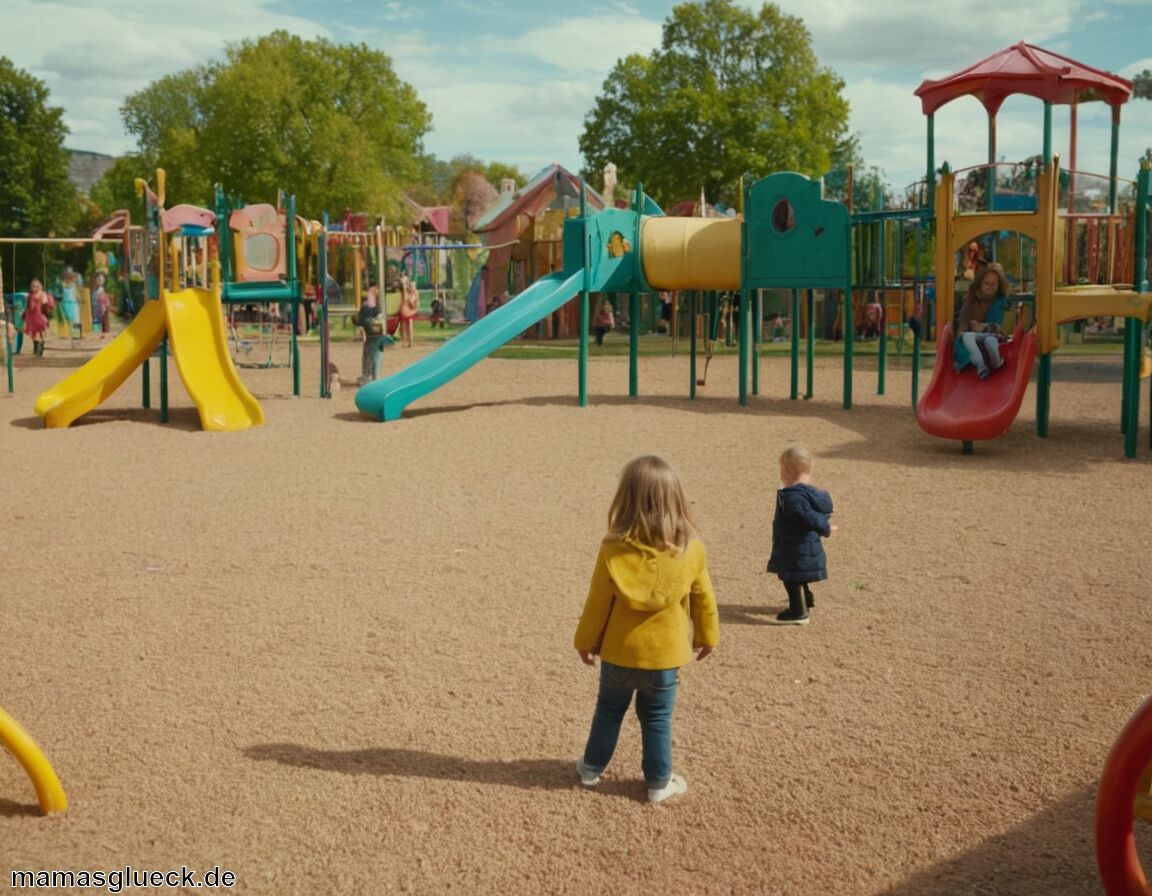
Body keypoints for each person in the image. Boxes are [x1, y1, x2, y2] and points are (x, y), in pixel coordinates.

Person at [573, 455, 719, 803]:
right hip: (665, 658)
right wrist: (707, 636)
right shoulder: (691, 550)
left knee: (608, 711)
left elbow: (598, 602)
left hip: (619, 652)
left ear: (626, 499)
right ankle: (658, 783)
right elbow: (704, 599)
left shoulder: (612, 548)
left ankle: (590, 769)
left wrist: (585, 641)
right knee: (657, 718)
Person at [766, 445, 837, 625]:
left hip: (794, 547)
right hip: (803, 546)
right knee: (798, 576)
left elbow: (807, 516)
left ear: (786, 470)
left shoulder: (791, 497)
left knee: (791, 578)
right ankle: (807, 599)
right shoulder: (809, 494)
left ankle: (799, 611)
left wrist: (825, 527)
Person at [953, 263, 1010, 380]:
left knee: (990, 341)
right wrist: (962, 330)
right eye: (987, 283)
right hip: (974, 336)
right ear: (980, 285)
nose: (990, 286)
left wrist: (983, 326)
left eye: (994, 284)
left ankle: (996, 362)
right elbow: (964, 317)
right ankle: (978, 363)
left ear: (999, 286)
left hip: (992, 335)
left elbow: (997, 326)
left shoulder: (998, 302)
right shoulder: (972, 299)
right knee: (965, 338)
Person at [356, 286, 387, 385]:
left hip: (374, 336)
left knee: (371, 357)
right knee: (371, 357)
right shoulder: (371, 308)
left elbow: (362, 322)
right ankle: (371, 376)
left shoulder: (371, 308)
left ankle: (370, 376)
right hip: (373, 336)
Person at [23, 279, 53, 357]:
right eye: (33, 286)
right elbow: (28, 306)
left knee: (42, 331)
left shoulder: (42, 294)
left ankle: (40, 348)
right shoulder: (30, 295)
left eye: (37, 286)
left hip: (40, 314)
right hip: (32, 315)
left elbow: (45, 304)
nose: (35, 288)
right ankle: (36, 347)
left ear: (40, 287)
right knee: (32, 331)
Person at [399, 274, 419, 347]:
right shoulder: (413, 292)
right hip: (408, 310)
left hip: (406, 310)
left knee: (404, 325)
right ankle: (408, 341)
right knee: (407, 325)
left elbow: (409, 301)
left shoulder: (410, 292)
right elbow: (415, 302)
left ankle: (406, 341)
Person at [91, 272, 111, 338]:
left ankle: (105, 337)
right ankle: (96, 335)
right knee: (96, 323)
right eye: (98, 278)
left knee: (104, 325)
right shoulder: (94, 290)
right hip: (95, 311)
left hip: (102, 310)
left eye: (101, 279)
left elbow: (105, 301)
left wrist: (104, 308)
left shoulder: (101, 290)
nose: (99, 280)